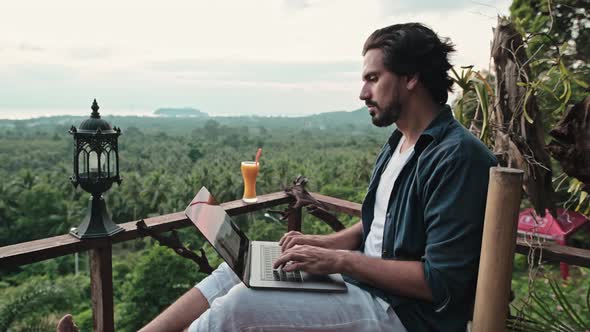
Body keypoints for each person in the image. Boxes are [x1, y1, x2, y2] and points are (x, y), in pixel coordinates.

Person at [139, 22, 497, 332]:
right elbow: (377, 228)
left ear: (411, 78)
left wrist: (338, 261)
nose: (362, 93)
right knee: (234, 271)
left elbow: (441, 282)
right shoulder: (399, 143)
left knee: (240, 306)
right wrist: (321, 244)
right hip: (364, 284)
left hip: (404, 314)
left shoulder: (456, 157)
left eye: (373, 79)